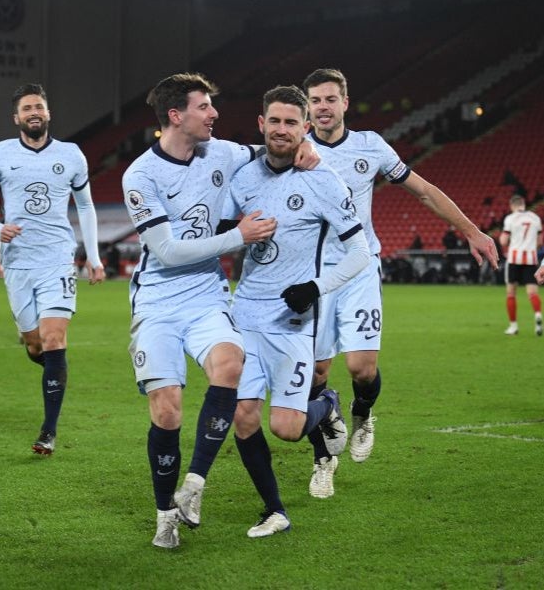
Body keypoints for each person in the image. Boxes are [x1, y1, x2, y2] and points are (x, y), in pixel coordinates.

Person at [121, 72, 318, 549]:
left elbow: (273, 149)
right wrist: (238, 237)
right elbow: (165, 251)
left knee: (230, 363)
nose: (213, 115)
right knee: (167, 412)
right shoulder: (140, 175)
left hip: (207, 294)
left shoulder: (222, 153)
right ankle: (164, 513)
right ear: (176, 115)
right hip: (158, 302)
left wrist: (309, 148)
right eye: (204, 107)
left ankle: (194, 486)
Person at [302, 68, 499, 498]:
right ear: (307, 106)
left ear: (345, 103)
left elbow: (424, 191)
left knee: (361, 368)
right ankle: (323, 460)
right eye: (315, 100)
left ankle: (363, 414)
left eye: (330, 99)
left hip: (359, 267)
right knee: (315, 373)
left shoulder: (369, 146)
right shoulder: (294, 150)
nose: (323, 107)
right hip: (312, 275)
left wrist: (471, 230)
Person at [224, 85, 370, 537]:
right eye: (275, 121)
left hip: (293, 322)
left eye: (291, 122)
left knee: (286, 427)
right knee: (243, 416)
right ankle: (274, 510)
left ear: (305, 128)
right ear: (261, 125)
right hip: (245, 314)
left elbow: (360, 253)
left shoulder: (323, 179)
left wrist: (315, 286)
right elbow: (222, 233)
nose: (282, 129)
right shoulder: (243, 178)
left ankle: (326, 405)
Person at [0, 83, 105, 456]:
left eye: (39, 107)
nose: (34, 112)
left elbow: (87, 208)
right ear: (16, 118)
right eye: (27, 108)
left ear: (48, 113)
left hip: (57, 258)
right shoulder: (0, 154)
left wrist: (93, 257)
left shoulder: (71, 155)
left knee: (54, 339)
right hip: (17, 262)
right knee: (35, 346)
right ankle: (47, 363)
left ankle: (48, 431)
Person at [499, 195, 542, 335]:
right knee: (532, 293)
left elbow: (504, 241)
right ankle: (537, 315)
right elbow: (540, 242)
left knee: (511, 293)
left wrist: (505, 239)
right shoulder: (535, 218)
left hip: (514, 259)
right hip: (531, 259)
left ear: (512, 205)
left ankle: (513, 326)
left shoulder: (511, 218)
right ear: (523, 204)